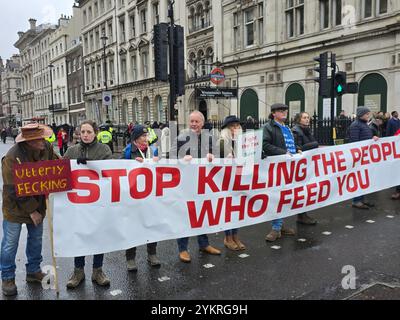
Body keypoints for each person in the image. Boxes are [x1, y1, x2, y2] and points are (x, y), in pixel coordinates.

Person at [1, 123, 58, 296]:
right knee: (10, 244)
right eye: (39, 138)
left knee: (36, 239)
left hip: (38, 202)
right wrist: (32, 211)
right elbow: (12, 189)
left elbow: (57, 164)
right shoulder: (12, 157)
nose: (44, 140)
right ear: (29, 141)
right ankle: (8, 276)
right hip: (15, 208)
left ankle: (33, 271)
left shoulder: (45, 147)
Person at [63, 120, 112, 289]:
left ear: (95, 133)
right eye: (82, 132)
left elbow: (110, 173)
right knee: (79, 236)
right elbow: (62, 173)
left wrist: (92, 165)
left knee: (98, 236)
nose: (85, 135)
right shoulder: (72, 151)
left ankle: (98, 270)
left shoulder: (104, 150)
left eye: (89, 132)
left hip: (98, 203)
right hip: (78, 204)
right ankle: (78, 271)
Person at [170, 111, 221, 263]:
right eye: (191, 121)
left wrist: (214, 156)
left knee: (202, 213)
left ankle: (204, 244)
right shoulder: (181, 137)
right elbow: (171, 156)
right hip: (185, 184)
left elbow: (218, 154)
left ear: (202, 123)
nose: (193, 124)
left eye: (196, 121)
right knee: (185, 215)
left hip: (204, 184)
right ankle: (183, 249)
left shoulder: (209, 137)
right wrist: (181, 157)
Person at [122, 125, 161, 271]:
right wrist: (131, 164)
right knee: (132, 226)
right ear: (136, 138)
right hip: (133, 196)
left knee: (151, 224)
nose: (146, 139)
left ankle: (152, 254)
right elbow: (118, 170)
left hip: (151, 195)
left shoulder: (153, 151)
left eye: (146, 136)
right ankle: (130, 258)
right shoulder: (128, 151)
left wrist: (159, 161)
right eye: (143, 137)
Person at [262, 103, 297, 242]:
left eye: (285, 110)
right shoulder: (268, 127)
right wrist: (283, 153)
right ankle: (275, 228)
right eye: (281, 111)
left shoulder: (286, 127)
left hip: (289, 166)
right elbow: (265, 145)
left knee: (284, 197)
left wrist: (297, 148)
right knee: (276, 196)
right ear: (273, 113)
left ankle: (280, 225)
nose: (284, 112)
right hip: (277, 167)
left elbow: (290, 145)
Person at [218, 115, 246, 251]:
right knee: (228, 209)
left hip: (239, 178)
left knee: (237, 208)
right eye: (233, 126)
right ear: (227, 128)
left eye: (237, 125)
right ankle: (228, 237)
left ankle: (235, 236)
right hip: (226, 180)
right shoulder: (223, 141)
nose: (236, 128)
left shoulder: (242, 141)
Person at [349, 106, 379, 209]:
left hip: (365, 156)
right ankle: (356, 200)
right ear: (361, 115)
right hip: (359, 158)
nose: (368, 116)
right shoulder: (355, 125)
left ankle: (362, 198)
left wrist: (373, 138)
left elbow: (366, 138)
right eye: (367, 114)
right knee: (358, 179)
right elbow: (354, 143)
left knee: (364, 178)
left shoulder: (364, 124)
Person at [292, 112, 318, 225]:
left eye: (308, 118)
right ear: (299, 119)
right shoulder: (296, 131)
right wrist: (314, 144)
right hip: (300, 166)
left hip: (308, 164)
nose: (307, 119)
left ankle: (303, 214)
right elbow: (298, 148)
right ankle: (301, 215)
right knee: (301, 191)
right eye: (304, 118)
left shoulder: (306, 130)